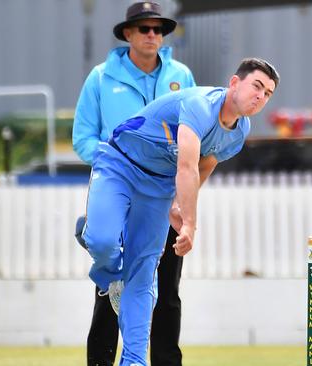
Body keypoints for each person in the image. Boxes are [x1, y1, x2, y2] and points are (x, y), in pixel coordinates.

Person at [79, 58, 279, 366]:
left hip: (157, 186)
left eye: (268, 94)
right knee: (103, 243)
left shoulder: (240, 131)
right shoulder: (200, 104)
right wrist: (189, 224)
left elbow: (206, 163)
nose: (260, 97)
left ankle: (134, 360)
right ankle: (90, 236)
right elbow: (186, 166)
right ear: (235, 83)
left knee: (144, 274)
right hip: (120, 163)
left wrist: (176, 204)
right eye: (256, 86)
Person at [72, 2, 196, 365]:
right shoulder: (100, 78)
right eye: (144, 29)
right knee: (110, 288)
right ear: (127, 34)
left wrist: (184, 196)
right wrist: (119, 167)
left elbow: (194, 138)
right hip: (119, 190)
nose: (153, 35)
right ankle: (101, 360)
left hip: (165, 194)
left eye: (158, 29)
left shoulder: (181, 76)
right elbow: (82, 139)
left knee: (167, 289)